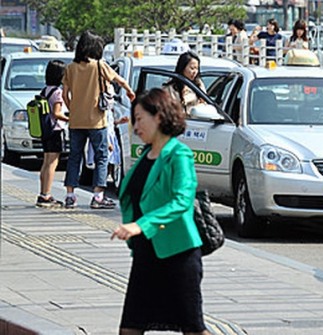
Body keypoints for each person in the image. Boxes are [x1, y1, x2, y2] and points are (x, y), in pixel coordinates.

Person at [111, 88, 208, 334]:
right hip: (147, 254)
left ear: (159, 117)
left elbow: (181, 201)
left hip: (177, 254)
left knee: (193, 329)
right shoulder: (146, 155)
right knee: (130, 328)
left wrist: (141, 225)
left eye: (140, 118)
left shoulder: (179, 154)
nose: (135, 127)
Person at [62, 30, 135, 209]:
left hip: (76, 121)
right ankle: (98, 197)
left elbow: (65, 95)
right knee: (102, 156)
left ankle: (70, 196)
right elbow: (119, 80)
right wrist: (129, 91)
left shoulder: (70, 68)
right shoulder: (100, 66)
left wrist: (74, 110)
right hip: (97, 121)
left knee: (74, 157)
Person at [36, 60, 69, 208]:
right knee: (52, 163)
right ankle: (46, 195)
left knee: (45, 162)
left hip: (45, 130)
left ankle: (42, 193)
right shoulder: (57, 92)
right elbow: (56, 113)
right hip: (55, 130)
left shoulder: (45, 90)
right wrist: (69, 118)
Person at [164, 51, 206, 115]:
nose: (195, 72)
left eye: (196, 68)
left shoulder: (199, 84)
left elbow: (205, 104)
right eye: (192, 68)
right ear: (182, 68)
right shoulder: (170, 88)